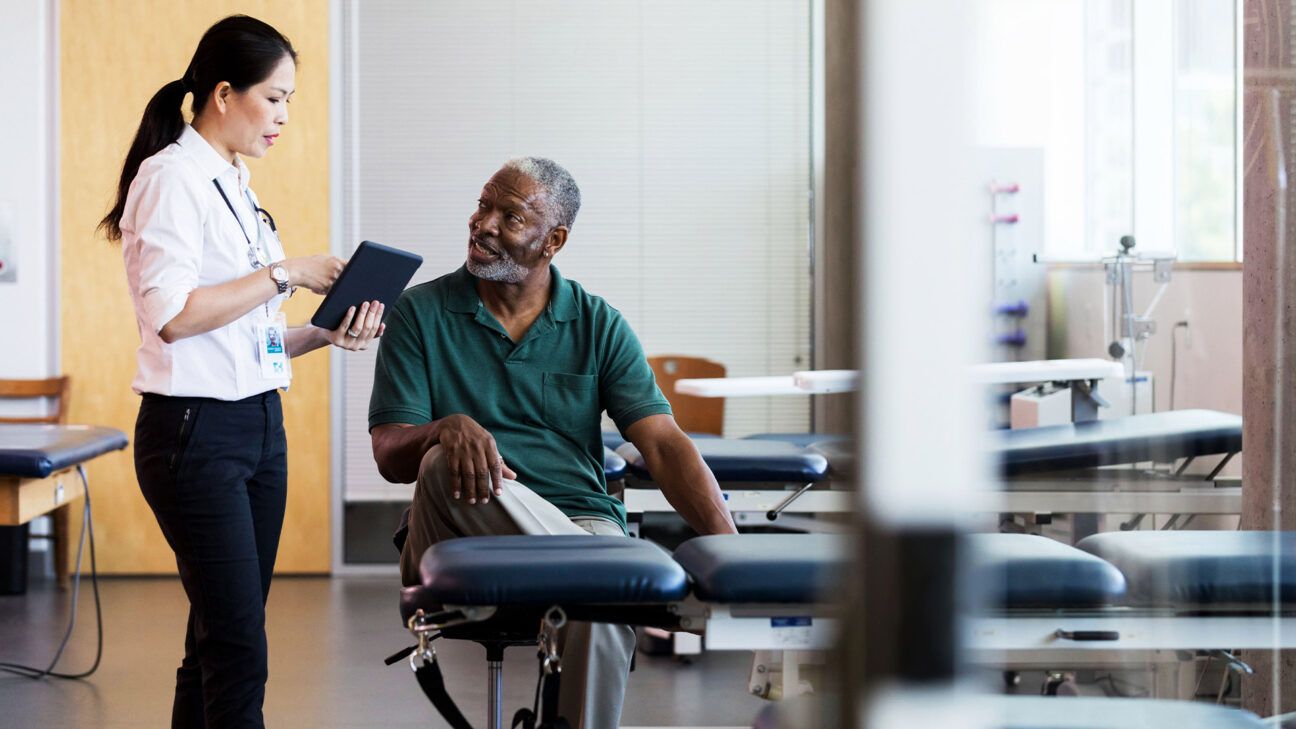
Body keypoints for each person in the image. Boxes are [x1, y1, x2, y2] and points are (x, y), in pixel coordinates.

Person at [369, 157, 738, 729]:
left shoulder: (597, 324)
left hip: (579, 522)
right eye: (483, 203)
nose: (484, 223)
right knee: (443, 462)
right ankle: (610, 573)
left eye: (510, 216)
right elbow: (392, 455)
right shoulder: (420, 312)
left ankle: (599, 578)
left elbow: (663, 443)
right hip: (457, 533)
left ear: (553, 241)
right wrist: (442, 426)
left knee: (599, 613)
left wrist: (732, 554)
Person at [99, 15, 382, 729]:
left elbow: (242, 340)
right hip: (195, 432)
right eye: (275, 97)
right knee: (238, 646)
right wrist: (285, 270)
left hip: (257, 423)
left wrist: (322, 331)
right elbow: (173, 315)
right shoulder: (170, 178)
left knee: (217, 637)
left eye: (291, 101)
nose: (284, 116)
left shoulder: (236, 183)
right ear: (223, 93)